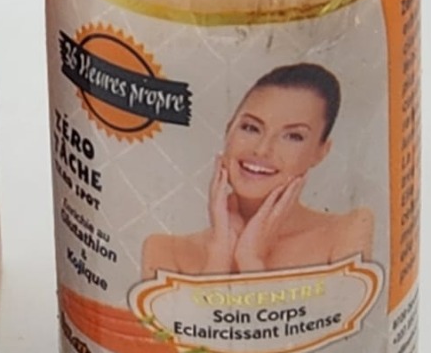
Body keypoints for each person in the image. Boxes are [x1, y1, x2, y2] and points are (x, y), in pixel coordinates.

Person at [141, 64, 373, 277]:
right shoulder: (165, 251)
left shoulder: (346, 232)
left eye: (293, 136)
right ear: (228, 130)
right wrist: (219, 253)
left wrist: (251, 259)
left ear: (320, 152)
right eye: (251, 128)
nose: (262, 150)